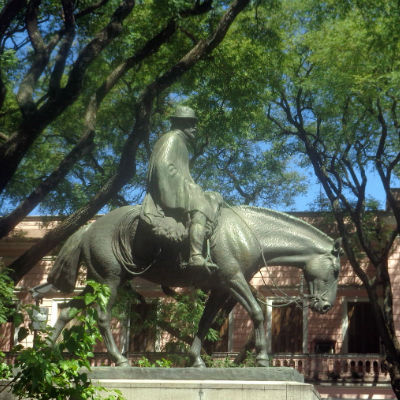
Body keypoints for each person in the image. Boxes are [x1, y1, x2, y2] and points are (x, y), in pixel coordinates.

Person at [141, 106, 223, 270]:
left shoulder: (181, 143)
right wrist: (189, 187)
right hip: (171, 188)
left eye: (194, 123)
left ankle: (203, 235)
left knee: (214, 197)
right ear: (180, 124)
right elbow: (163, 167)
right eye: (190, 123)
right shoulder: (172, 138)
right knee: (200, 207)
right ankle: (195, 255)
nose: (195, 128)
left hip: (179, 187)